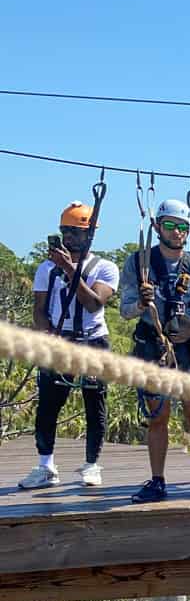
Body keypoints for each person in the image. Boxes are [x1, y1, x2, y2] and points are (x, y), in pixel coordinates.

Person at [118, 199, 190, 503]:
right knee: (157, 415)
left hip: (189, 345)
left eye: (183, 228)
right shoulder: (139, 263)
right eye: (171, 226)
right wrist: (142, 302)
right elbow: (125, 310)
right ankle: (157, 481)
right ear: (157, 227)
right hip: (154, 344)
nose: (178, 233)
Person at [18, 201, 118, 490]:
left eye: (75, 231)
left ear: (89, 235)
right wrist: (46, 332)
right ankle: (46, 466)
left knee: (94, 404)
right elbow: (39, 308)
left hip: (92, 342)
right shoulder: (46, 268)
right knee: (48, 406)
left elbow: (93, 302)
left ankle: (91, 465)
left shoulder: (104, 267)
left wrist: (69, 269)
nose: (69, 237)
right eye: (65, 231)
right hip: (60, 342)